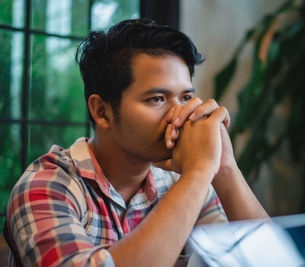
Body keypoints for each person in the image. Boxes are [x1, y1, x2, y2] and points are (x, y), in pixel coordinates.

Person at [5, 19, 268, 266]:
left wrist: (224, 168)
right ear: (101, 111)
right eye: (157, 99)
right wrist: (198, 174)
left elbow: (268, 259)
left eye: (186, 98)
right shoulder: (46, 186)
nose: (179, 115)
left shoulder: (184, 179)